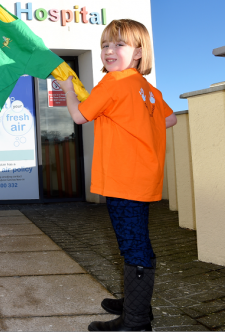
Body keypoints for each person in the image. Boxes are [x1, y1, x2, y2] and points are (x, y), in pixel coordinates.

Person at [57, 19, 177, 331]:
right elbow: (171, 119)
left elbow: (78, 115)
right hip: (144, 179)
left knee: (133, 246)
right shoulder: (148, 89)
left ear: (139, 52)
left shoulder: (113, 83)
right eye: (105, 45)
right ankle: (137, 304)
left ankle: (136, 322)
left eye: (119, 44)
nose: (109, 50)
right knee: (137, 240)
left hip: (122, 180)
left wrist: (68, 89)